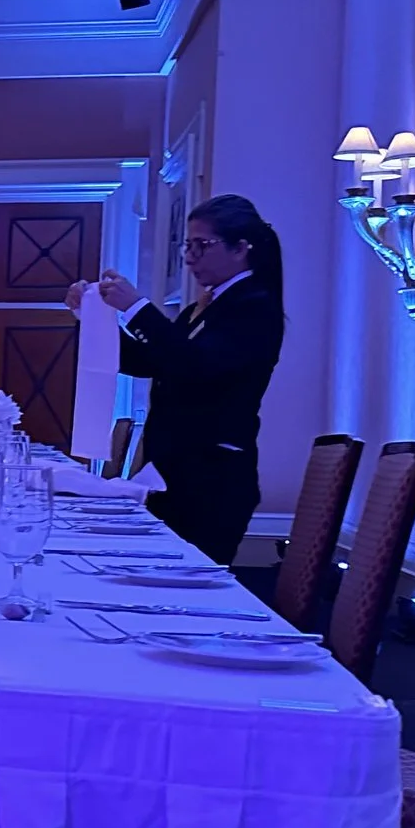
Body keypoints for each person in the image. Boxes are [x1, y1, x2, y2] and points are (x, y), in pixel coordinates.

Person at [65, 194, 284, 565]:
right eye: (189, 245)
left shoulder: (254, 306)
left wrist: (137, 307)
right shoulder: (206, 307)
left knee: (190, 585)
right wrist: (91, 318)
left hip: (211, 480)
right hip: (174, 474)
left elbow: (196, 363)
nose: (189, 257)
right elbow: (151, 360)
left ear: (240, 249)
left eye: (203, 246)